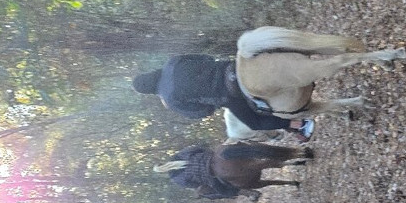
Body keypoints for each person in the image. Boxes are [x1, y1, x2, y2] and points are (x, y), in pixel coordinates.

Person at [132, 54, 315, 140]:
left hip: (228, 95)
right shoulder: (172, 62)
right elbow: (205, 58)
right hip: (229, 68)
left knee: (255, 123)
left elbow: (200, 112)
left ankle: (299, 124)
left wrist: (212, 106)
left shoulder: (170, 99)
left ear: (148, 91)